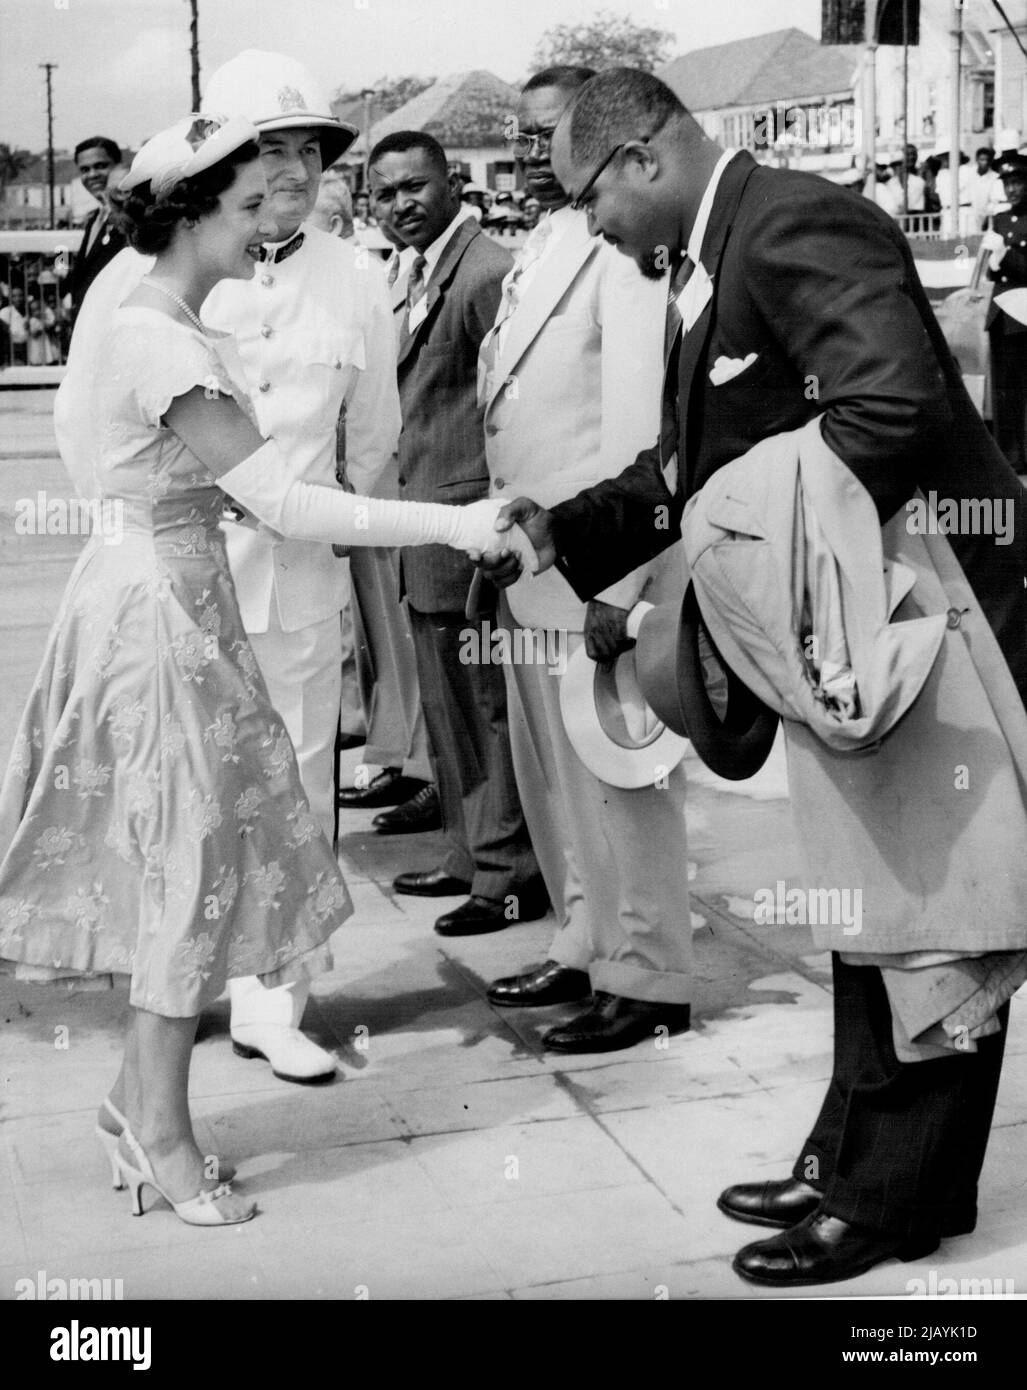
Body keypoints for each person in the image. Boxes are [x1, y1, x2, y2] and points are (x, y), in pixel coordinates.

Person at [485, 67, 1027, 1287]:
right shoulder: (719, 247)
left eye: (584, 196)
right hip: (855, 608)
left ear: (642, 156)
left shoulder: (792, 220)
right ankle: (867, 1168)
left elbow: (885, 409)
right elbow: (689, 468)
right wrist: (563, 530)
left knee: (924, 913)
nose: (586, 224)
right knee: (868, 906)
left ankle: (885, 1195)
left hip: (925, 611)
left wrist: (739, 547)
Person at [0, 117, 522, 1227]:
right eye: (246, 211)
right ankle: (163, 1132)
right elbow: (281, 499)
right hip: (158, 617)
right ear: (191, 211)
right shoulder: (163, 337)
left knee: (188, 858)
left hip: (166, 595)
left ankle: (134, 1102)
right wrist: (462, 522)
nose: (267, 230)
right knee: (185, 867)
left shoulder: (148, 308)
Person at [480, 66, 693, 1052]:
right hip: (534, 566)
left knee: (622, 775)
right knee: (559, 780)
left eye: (550, 133)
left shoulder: (621, 253)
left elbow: (636, 431)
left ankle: (647, 978)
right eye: (521, 136)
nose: (532, 152)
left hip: (595, 565)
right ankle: (583, 939)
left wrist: (616, 582)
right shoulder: (542, 242)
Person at [197, 50, 398, 1084]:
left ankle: (275, 999)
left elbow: (374, 448)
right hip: (189, 581)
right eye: (264, 150)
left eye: (304, 152)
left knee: (294, 788)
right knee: (186, 784)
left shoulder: (359, 280)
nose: (287, 172)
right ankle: (184, 974)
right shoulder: (174, 269)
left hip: (302, 585)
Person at [368, 131, 546, 936]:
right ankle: (467, 853)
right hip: (421, 529)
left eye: (414, 186)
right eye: (384, 193)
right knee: (446, 710)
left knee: (482, 709)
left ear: (452, 184)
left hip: (464, 527)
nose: (400, 203)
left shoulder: (483, 273)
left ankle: (506, 874)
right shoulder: (404, 272)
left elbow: (511, 407)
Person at [337, 200, 441, 836]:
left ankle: (429, 772)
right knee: (387, 641)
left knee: (410, 638)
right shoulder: (397, 273)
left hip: (409, 483)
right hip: (373, 489)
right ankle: (399, 757)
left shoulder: (370, 274)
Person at [984, 153, 1027, 471]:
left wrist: (1006, 256)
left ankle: (1021, 455)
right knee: (1001, 388)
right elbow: (990, 272)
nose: (1012, 190)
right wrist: (995, 262)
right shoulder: (999, 219)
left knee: (1020, 387)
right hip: (1001, 310)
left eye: (1017, 183)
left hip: (1022, 313)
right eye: (1008, 183)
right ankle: (1006, 455)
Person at [65, 137, 128, 323]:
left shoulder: (129, 218)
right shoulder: (95, 218)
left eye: (100, 166)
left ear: (118, 166)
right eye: (84, 170)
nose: (92, 175)